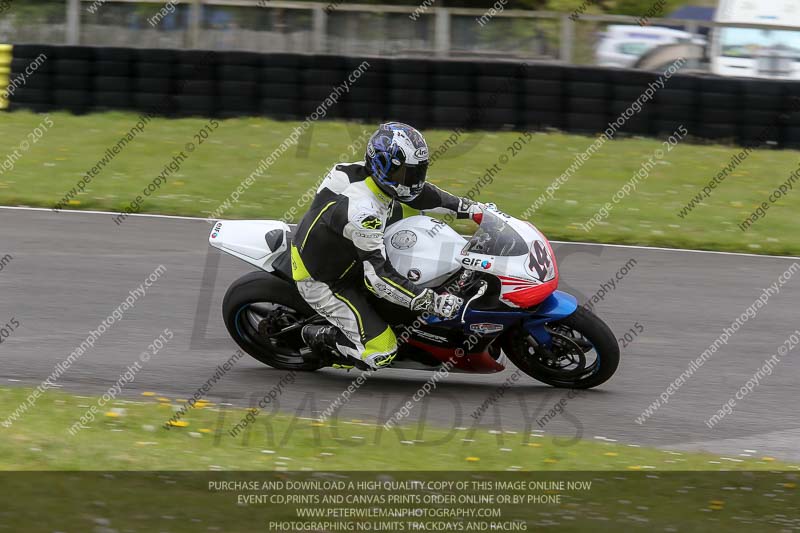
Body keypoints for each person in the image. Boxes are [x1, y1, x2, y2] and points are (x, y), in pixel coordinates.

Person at [293, 122, 484, 369]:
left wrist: (471, 209)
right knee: (382, 352)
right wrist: (431, 302)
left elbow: (420, 194)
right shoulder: (363, 212)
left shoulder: (362, 174)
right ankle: (323, 339)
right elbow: (379, 279)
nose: (413, 181)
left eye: (417, 172)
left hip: (350, 250)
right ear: (383, 166)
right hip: (326, 279)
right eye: (406, 174)